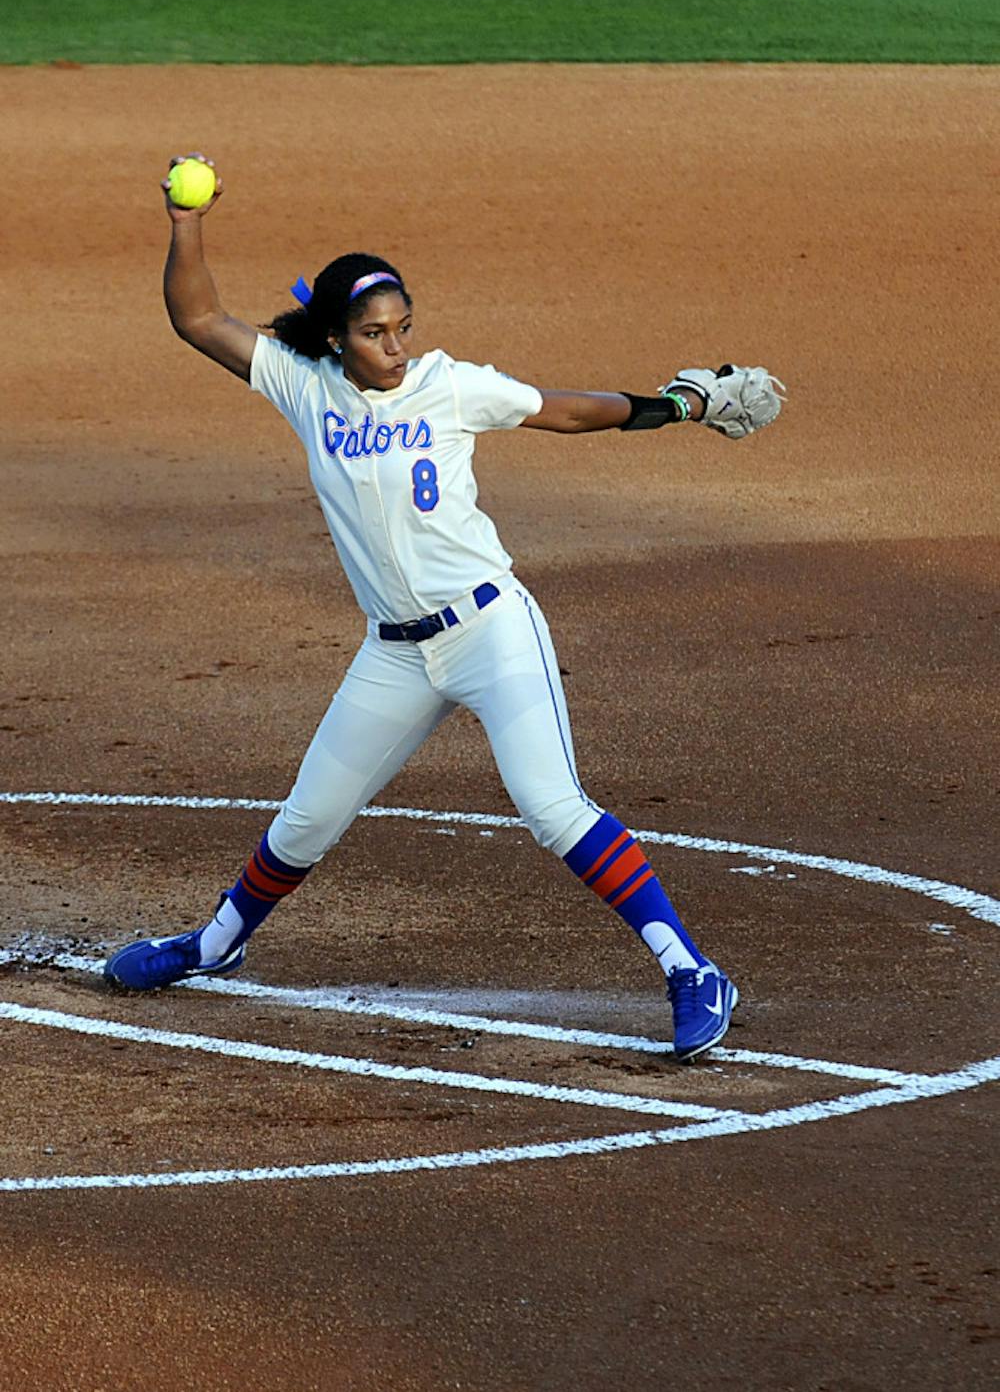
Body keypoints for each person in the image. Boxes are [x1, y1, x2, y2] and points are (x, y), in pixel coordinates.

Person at [104, 153, 782, 1062]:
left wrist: (677, 405)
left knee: (550, 803)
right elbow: (197, 318)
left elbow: (565, 411)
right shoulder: (307, 389)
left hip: (491, 628)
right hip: (394, 653)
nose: (397, 345)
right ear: (338, 337)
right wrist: (187, 222)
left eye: (405, 327)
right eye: (377, 332)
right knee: (309, 817)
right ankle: (213, 945)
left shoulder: (451, 384)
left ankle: (692, 969)